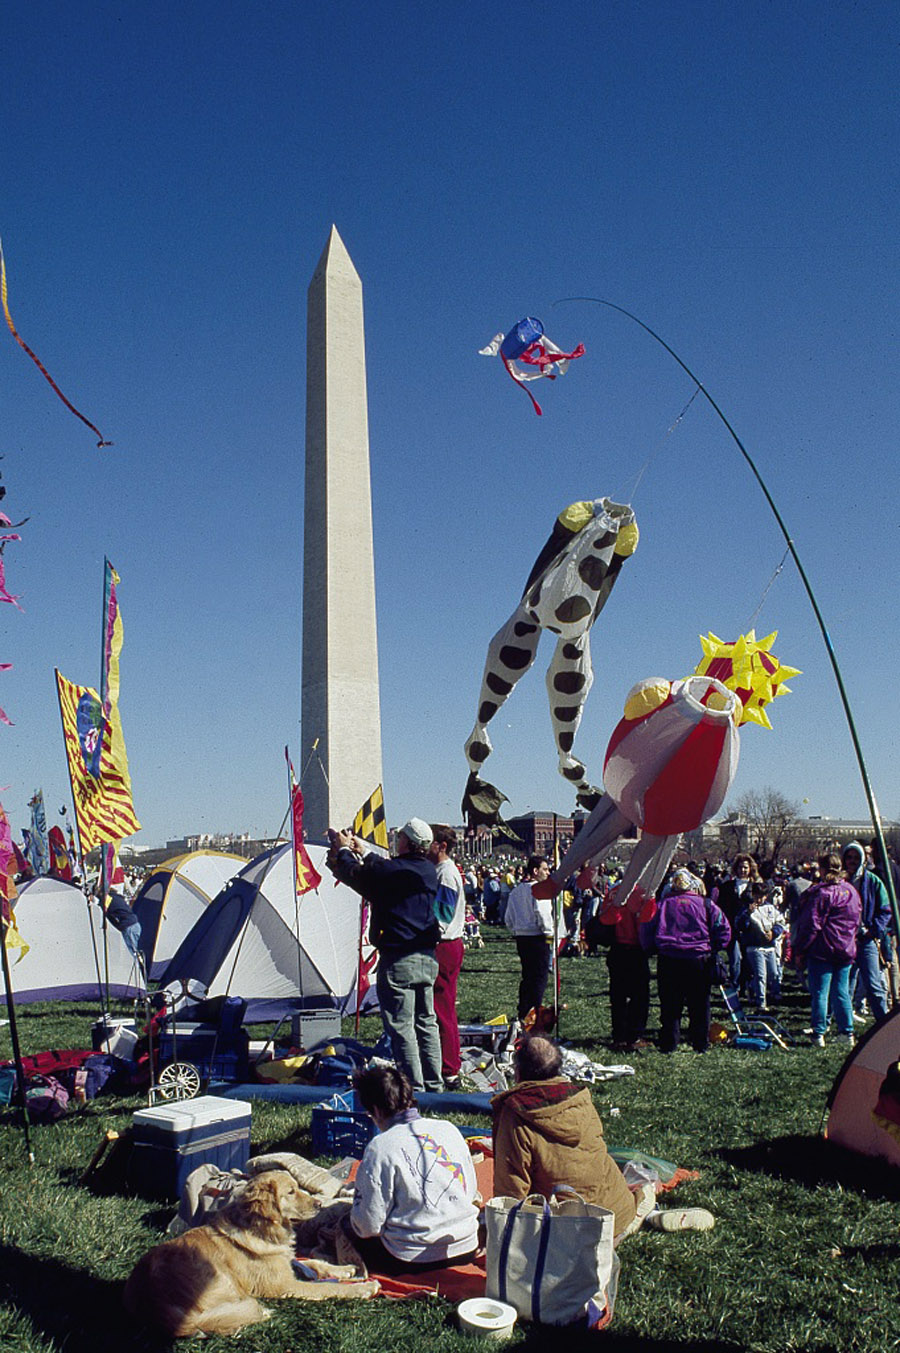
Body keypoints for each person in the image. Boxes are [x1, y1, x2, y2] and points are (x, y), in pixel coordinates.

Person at [491, 1035, 713, 1239]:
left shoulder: (517, 1114)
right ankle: (644, 1213)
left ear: (518, 1072)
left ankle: (641, 1212)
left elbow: (511, 1188)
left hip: (575, 1234)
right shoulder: (578, 1097)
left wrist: (497, 1233)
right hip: (616, 1208)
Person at [328, 818, 442, 1092]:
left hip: (399, 960)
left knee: (401, 1026)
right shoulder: (426, 870)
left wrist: (343, 851)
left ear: (407, 842)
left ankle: (415, 1087)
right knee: (426, 1022)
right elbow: (386, 869)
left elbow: (364, 875)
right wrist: (363, 850)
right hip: (427, 958)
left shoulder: (392, 873)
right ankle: (434, 1083)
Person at [347, 1065, 480, 1274]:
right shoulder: (448, 1129)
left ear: (377, 1110)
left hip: (413, 1258)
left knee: (345, 1227)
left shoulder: (380, 1146)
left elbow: (368, 1225)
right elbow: (470, 1191)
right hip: (466, 1245)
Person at [641, 870, 731, 1053]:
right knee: (699, 1004)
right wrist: (714, 947)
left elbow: (646, 929)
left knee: (670, 1005)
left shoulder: (662, 904)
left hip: (669, 959)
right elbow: (724, 930)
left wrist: (651, 948)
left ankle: (669, 1043)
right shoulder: (706, 904)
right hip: (698, 960)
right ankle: (700, 1044)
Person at [792, 853, 861, 1048]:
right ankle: (847, 1032)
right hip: (846, 948)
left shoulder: (822, 894)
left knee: (820, 993)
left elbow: (811, 925)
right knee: (842, 991)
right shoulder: (851, 891)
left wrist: (800, 949)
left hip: (823, 950)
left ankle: (819, 1032)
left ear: (822, 869)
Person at [428, 823, 467, 1090]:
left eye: (428, 842)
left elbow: (441, 916)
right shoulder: (441, 872)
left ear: (441, 846)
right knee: (440, 1007)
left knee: (442, 1009)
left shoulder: (446, 875)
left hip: (444, 944)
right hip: (445, 944)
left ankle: (449, 1067)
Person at [841, 842, 890, 1022]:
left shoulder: (873, 881)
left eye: (856, 857)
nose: (852, 861)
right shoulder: (840, 881)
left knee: (873, 984)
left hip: (866, 939)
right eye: (849, 857)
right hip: (845, 940)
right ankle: (843, 1024)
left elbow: (885, 909)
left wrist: (873, 930)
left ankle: (883, 1022)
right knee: (845, 984)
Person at [504, 854, 553, 1019]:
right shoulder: (539, 890)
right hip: (538, 937)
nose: (548, 873)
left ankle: (524, 1010)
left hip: (522, 938)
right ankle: (534, 1013)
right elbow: (544, 917)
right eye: (545, 869)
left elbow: (508, 919)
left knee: (527, 977)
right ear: (535, 870)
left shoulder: (516, 891)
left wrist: (518, 929)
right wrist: (550, 938)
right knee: (539, 978)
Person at [712, 853, 758, 990]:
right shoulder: (727, 886)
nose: (743, 870)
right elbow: (721, 907)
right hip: (733, 928)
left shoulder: (756, 886)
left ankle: (748, 986)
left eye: (745, 867)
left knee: (749, 960)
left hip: (751, 929)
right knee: (735, 959)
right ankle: (735, 986)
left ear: (750, 868)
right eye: (740, 867)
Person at [742, 881, 786, 1012]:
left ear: (766, 896)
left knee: (773, 974)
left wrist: (774, 933)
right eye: (757, 896)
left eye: (762, 896)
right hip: (755, 947)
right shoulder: (747, 909)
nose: (759, 899)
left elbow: (780, 922)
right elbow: (740, 925)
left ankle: (752, 986)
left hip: (770, 947)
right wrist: (747, 915)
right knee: (761, 974)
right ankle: (761, 1002)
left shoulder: (771, 908)